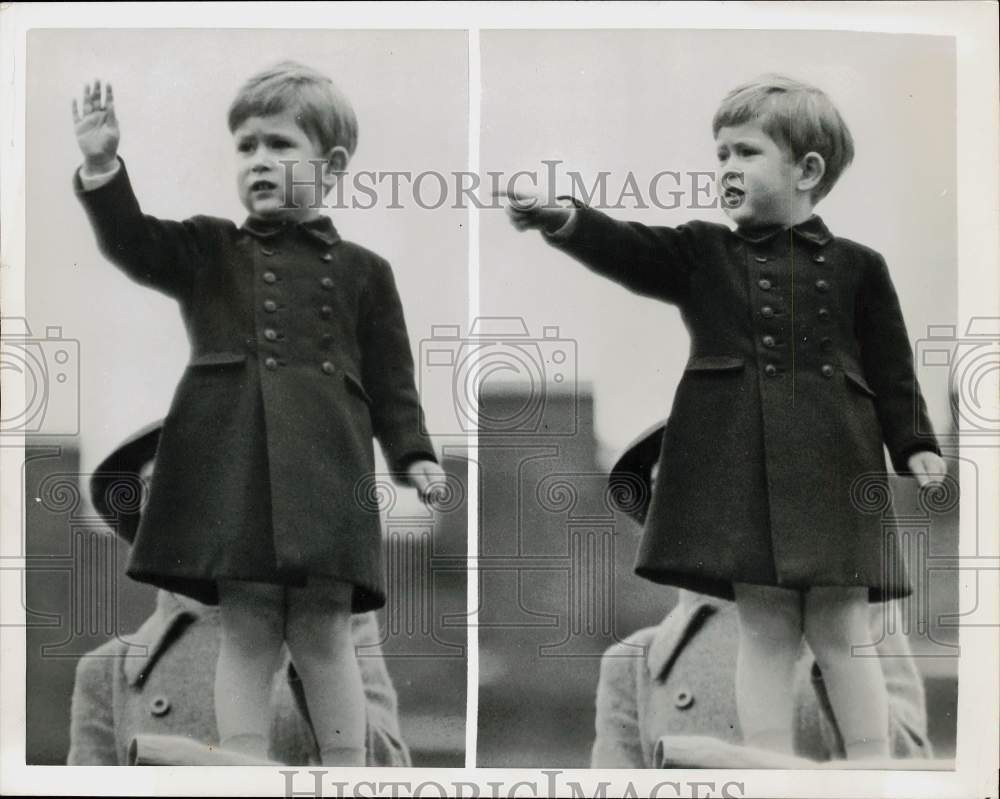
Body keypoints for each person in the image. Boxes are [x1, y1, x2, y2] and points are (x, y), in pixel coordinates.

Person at [503, 75, 945, 760]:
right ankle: (766, 758)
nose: (727, 170)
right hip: (740, 469)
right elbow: (630, 246)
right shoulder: (703, 251)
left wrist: (913, 442)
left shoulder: (861, 267)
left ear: (807, 169)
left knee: (841, 619)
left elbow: (892, 366)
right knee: (764, 620)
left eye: (744, 153)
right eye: (720, 156)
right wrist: (565, 219)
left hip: (835, 464)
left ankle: (871, 762)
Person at [71, 62, 446, 766]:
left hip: (328, 469)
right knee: (244, 624)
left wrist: (414, 454)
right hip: (234, 464)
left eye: (279, 144)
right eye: (245, 147)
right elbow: (134, 242)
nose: (259, 161)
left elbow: (394, 381)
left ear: (330, 164)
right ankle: (240, 764)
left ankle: (347, 768)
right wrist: (102, 167)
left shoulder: (366, 271)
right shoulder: (211, 249)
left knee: (325, 628)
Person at [592, 423, 932, 768]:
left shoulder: (857, 614)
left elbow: (910, 765)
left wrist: (832, 648)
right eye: (667, 487)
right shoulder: (633, 663)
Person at [70, 421, 409, 766]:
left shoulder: (332, 622)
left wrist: (311, 657)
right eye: (157, 484)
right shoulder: (106, 672)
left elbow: (386, 774)